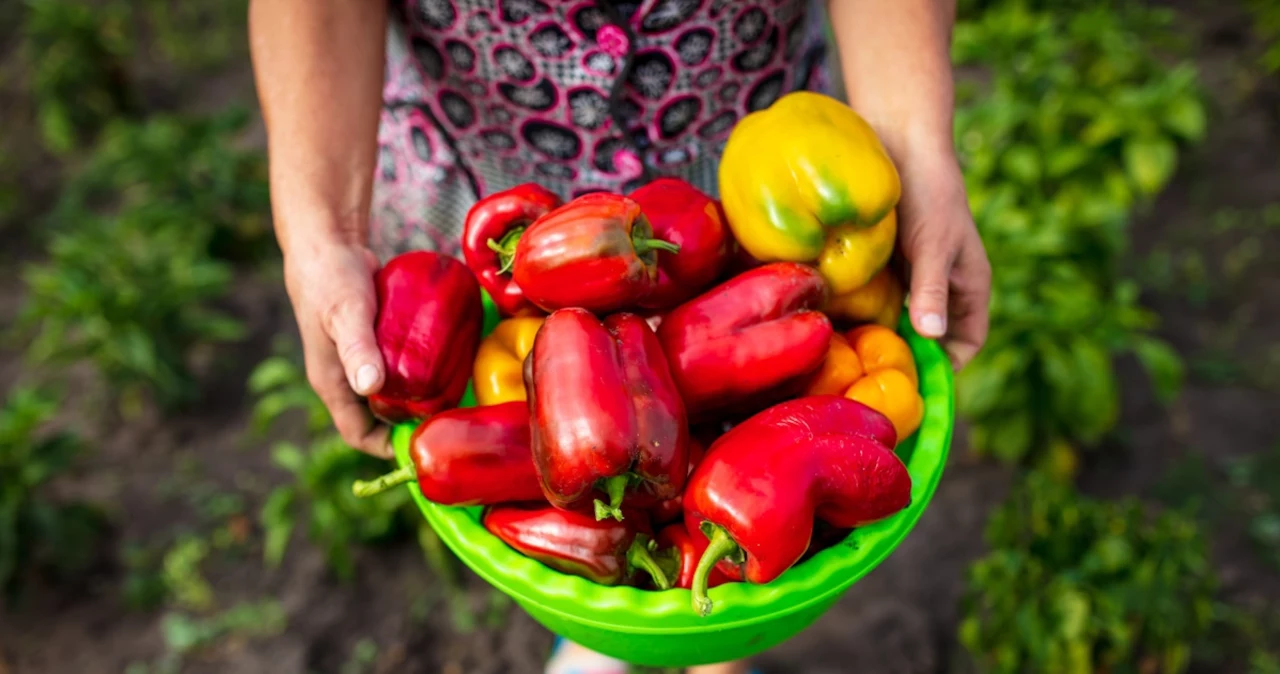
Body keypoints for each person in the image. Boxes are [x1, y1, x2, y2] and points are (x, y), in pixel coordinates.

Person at [249, 1, 991, 672]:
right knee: (617, 488)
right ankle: (613, 631)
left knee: (676, 490)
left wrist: (918, 147)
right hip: (496, 193)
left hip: (748, 174)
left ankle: (708, 647)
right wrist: (321, 234)